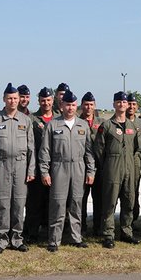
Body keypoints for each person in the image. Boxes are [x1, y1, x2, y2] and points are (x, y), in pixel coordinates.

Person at [39, 89, 96, 252]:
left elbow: (89, 152)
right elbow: (45, 151)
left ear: (76, 106)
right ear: (61, 105)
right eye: (67, 104)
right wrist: (44, 172)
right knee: (57, 204)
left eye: (73, 105)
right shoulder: (53, 125)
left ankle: (76, 238)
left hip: (78, 168)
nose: (70, 108)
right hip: (59, 168)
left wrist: (91, 172)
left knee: (76, 203)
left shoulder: (83, 125)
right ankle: (54, 240)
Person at [0, 83, 36, 255]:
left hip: (21, 166)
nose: (13, 101)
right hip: (1, 165)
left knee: (19, 203)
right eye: (9, 98)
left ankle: (17, 239)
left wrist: (31, 170)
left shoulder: (25, 120)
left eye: (15, 98)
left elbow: (31, 148)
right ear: (4, 99)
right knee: (2, 203)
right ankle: (1, 240)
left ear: (19, 99)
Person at [94, 91, 141, 248]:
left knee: (129, 200)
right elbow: (99, 150)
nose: (122, 104)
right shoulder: (106, 126)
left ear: (128, 105)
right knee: (109, 202)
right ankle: (108, 234)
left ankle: (126, 232)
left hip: (129, 167)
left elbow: (137, 148)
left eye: (124, 102)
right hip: (112, 168)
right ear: (114, 104)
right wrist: (108, 165)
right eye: (118, 102)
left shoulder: (133, 126)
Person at [25, 87, 55, 243]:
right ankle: (32, 233)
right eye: (43, 100)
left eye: (48, 100)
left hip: (56, 168)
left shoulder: (59, 119)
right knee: (34, 202)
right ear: (39, 101)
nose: (46, 103)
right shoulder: (32, 119)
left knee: (53, 201)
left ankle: (51, 233)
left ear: (53, 100)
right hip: (36, 167)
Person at [79, 91, 103, 236]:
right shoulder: (76, 121)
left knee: (98, 198)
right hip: (81, 165)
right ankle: (80, 227)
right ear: (82, 106)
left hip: (98, 166)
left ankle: (98, 227)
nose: (88, 107)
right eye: (86, 104)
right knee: (80, 198)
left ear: (95, 106)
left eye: (91, 105)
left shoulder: (101, 123)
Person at [126, 93, 141, 230]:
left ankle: (132, 220)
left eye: (134, 104)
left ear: (137, 106)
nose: (131, 107)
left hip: (136, 161)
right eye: (129, 104)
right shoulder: (119, 121)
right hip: (122, 160)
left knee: (133, 191)